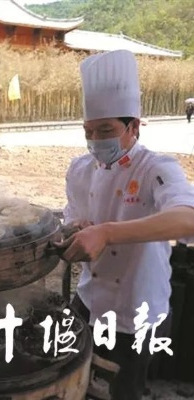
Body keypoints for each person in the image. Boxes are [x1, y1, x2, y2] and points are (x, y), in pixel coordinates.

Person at [55, 50, 194, 400]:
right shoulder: (79, 169)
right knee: (74, 376)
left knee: (124, 389)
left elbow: (188, 218)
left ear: (134, 126)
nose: (95, 140)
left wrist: (106, 232)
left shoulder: (156, 168)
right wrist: (77, 227)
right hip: (88, 299)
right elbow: (72, 216)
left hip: (137, 309)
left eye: (106, 130)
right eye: (89, 132)